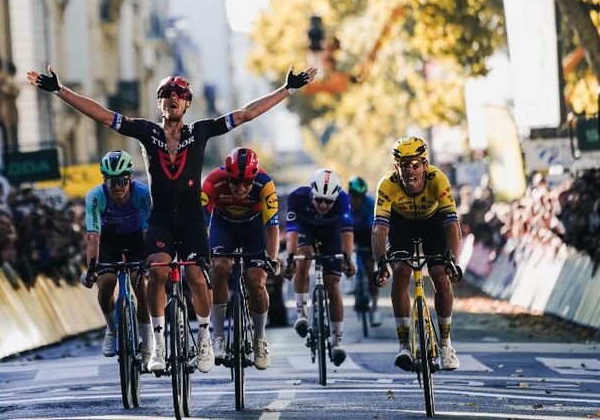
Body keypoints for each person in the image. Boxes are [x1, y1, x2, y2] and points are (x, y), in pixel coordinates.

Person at [28, 64, 317, 373]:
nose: (172, 99)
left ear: (188, 103)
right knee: (157, 275)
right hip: (161, 220)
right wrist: (60, 90)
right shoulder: (145, 131)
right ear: (159, 103)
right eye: (165, 94)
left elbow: (246, 113)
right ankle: (158, 346)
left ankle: (206, 339)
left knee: (195, 278)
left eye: (179, 95)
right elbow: (101, 115)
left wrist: (287, 89)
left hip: (192, 221)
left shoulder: (201, 131)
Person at [371, 137, 463, 372]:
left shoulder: (437, 178)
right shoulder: (387, 184)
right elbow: (380, 229)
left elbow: (451, 224)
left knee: (440, 276)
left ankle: (445, 344)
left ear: (425, 165)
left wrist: (453, 259)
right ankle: (403, 344)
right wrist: (381, 263)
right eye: (403, 165)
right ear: (396, 168)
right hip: (401, 224)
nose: (409, 170)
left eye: (414, 165)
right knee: (400, 270)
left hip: (432, 223)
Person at [202, 147, 280, 370]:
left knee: (256, 281)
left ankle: (259, 339)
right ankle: (218, 337)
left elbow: (272, 227)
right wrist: (201, 250)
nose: (242, 188)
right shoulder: (213, 181)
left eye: (247, 182)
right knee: (219, 267)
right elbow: (201, 222)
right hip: (222, 226)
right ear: (227, 174)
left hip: (253, 229)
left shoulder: (265, 184)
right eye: (235, 182)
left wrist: (271, 259)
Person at [80, 151, 153, 363]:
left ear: (130, 178)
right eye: (111, 181)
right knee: (106, 283)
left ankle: (148, 342)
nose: (117, 187)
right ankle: (112, 329)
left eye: (122, 180)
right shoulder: (95, 196)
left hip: (137, 239)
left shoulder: (142, 193)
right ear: (105, 181)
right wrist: (91, 270)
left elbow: (148, 233)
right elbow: (93, 237)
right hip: (109, 240)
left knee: (139, 284)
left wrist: (148, 263)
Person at [284, 169, 355, 366]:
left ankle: (336, 341)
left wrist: (347, 259)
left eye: (328, 202)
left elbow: (347, 232)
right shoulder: (297, 197)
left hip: (331, 234)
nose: (324, 205)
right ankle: (301, 314)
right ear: (311, 193)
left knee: (333, 284)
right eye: (319, 200)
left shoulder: (342, 199)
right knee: (303, 257)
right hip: (306, 231)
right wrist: (290, 258)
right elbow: (292, 233)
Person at [347, 176, 381, 327]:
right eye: (354, 196)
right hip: (349, 233)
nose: (357, 200)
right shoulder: (344, 205)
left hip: (366, 235)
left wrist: (371, 247)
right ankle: (353, 286)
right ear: (349, 194)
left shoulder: (369, 204)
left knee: (369, 270)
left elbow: (372, 229)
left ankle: (374, 305)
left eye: (360, 197)